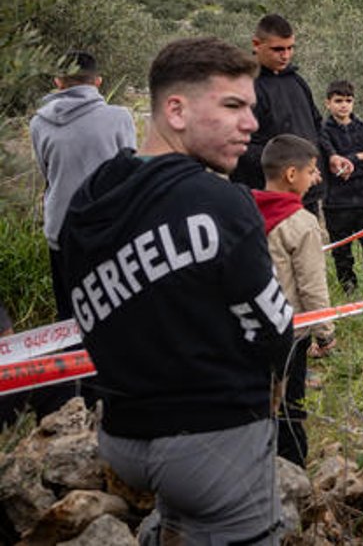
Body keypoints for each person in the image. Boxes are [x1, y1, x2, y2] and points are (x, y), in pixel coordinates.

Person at [59, 36, 294, 544]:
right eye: (233, 106)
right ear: (177, 110)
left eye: (251, 108)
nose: (251, 125)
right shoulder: (222, 204)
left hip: (122, 434)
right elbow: (275, 328)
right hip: (214, 438)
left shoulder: (88, 200)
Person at [30, 51, 136, 317]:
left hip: (61, 228)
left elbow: (47, 173)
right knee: (115, 312)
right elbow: (131, 173)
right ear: (98, 81)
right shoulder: (119, 117)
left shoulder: (38, 123)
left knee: (68, 313)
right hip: (109, 228)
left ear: (58, 82)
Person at [253, 134, 336, 468]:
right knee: (290, 405)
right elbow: (312, 286)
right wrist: (325, 332)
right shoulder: (302, 224)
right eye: (312, 171)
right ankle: (293, 471)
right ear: (291, 175)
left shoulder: (244, 210)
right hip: (290, 333)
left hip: (248, 330)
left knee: (258, 402)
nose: (315, 178)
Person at [230, 13, 351, 210]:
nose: (285, 55)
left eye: (290, 48)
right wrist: (296, 166)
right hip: (266, 202)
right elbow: (239, 146)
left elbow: (316, 126)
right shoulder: (245, 88)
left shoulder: (297, 81)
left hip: (307, 195)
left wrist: (331, 156)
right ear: (256, 44)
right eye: (278, 49)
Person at [321, 80, 363, 297]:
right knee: (342, 253)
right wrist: (360, 156)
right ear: (327, 103)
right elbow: (329, 167)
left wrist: (350, 162)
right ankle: (349, 293)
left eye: (348, 101)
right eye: (338, 101)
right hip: (336, 204)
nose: (344, 105)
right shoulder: (323, 132)